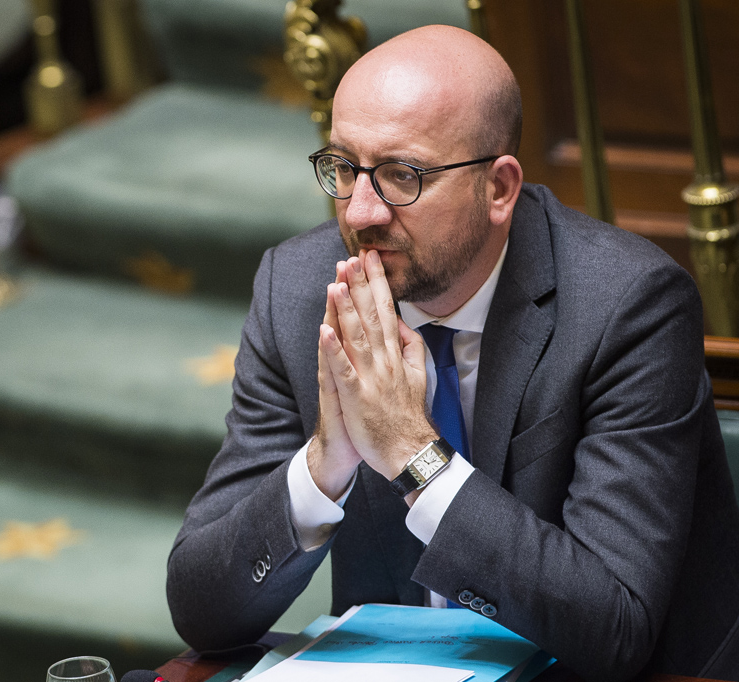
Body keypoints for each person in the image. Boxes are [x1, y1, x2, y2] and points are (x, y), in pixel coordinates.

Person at [166, 25, 739, 681]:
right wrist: (325, 463)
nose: (359, 213)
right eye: (344, 168)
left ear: (497, 189)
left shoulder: (626, 306)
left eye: (401, 176)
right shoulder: (298, 293)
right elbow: (200, 611)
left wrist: (411, 454)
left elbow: (613, 629)